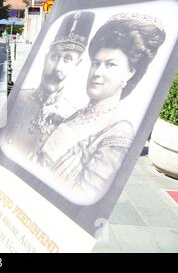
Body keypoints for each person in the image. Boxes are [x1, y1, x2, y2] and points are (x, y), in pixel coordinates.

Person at [32, 13, 166, 205]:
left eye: (110, 65)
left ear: (130, 72)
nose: (98, 72)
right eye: (96, 63)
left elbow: (83, 197)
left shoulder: (118, 134)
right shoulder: (76, 113)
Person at [0, 11, 95, 164]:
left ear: (77, 64)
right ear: (46, 57)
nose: (58, 67)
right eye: (55, 56)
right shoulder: (18, 98)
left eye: (68, 59)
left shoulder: (71, 117)